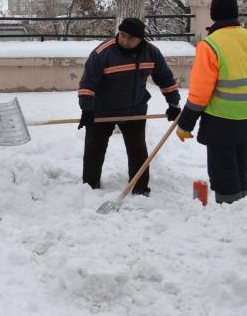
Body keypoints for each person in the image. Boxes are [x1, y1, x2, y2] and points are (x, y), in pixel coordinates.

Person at [176, 0, 247, 204]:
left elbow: (200, 93)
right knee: (239, 162)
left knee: (223, 168)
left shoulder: (210, 45)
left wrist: (185, 124)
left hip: (221, 118)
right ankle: (242, 204)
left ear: (212, 15)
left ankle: (229, 212)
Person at [77, 17, 181, 195]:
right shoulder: (103, 53)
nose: (124, 40)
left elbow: (164, 78)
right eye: (122, 35)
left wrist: (173, 103)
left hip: (135, 110)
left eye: (130, 38)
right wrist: (87, 109)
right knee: (94, 149)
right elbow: (88, 83)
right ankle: (90, 187)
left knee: (138, 150)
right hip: (103, 111)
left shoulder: (151, 53)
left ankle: (140, 188)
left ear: (141, 39)